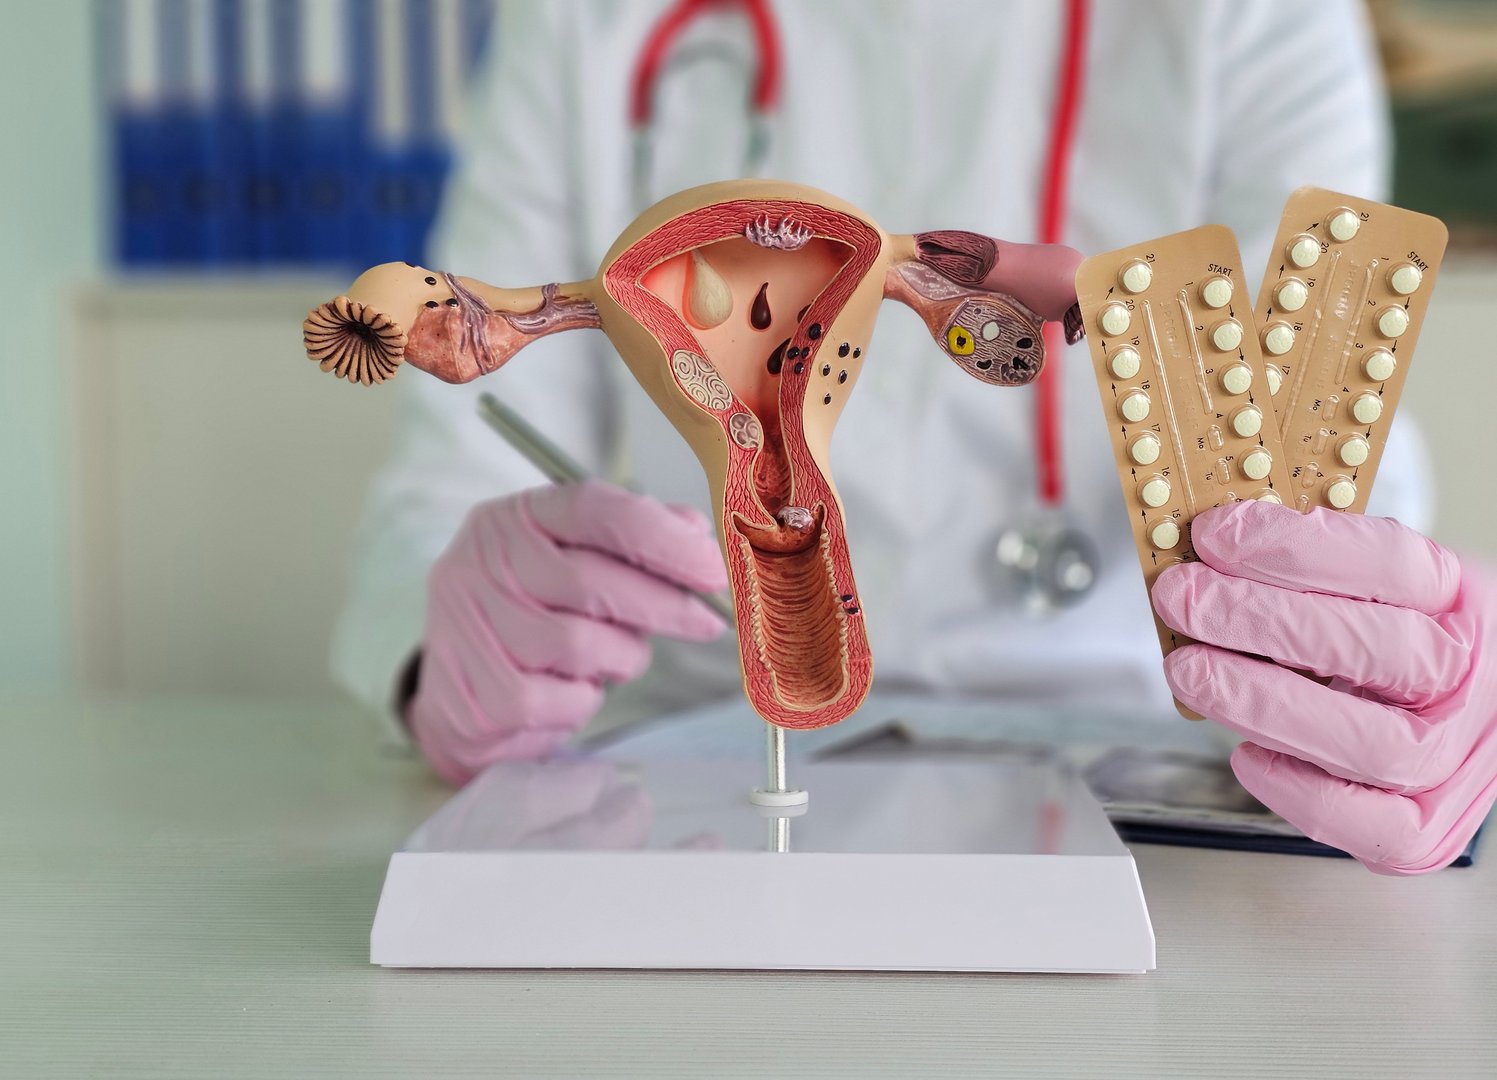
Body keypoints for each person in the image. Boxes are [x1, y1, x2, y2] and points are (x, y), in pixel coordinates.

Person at [330, 0, 1497, 874]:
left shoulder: (1259, 14)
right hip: (687, 762)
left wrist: (1401, 663)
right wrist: (446, 648)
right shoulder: (583, 21)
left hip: (1142, 767)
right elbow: (458, 474)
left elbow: (1315, 454)